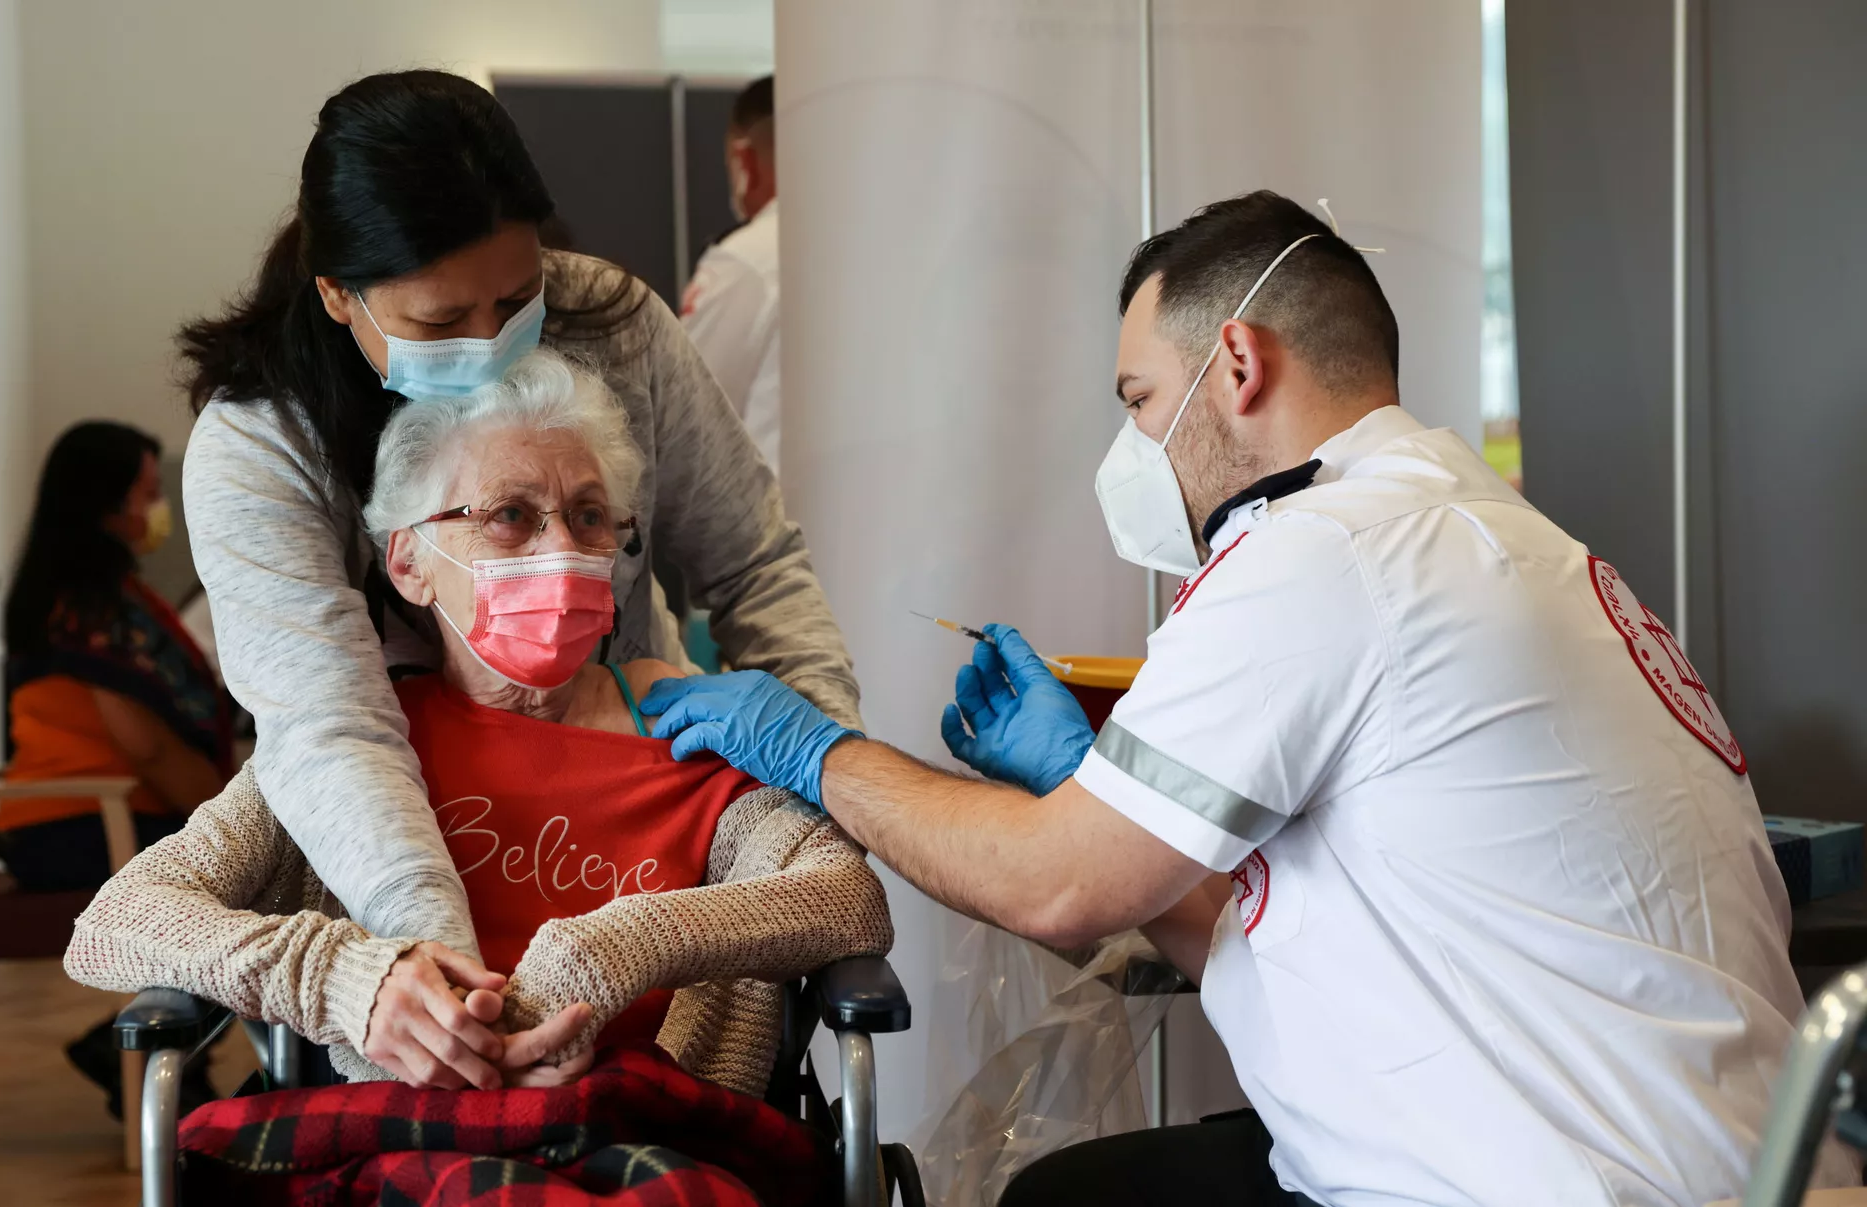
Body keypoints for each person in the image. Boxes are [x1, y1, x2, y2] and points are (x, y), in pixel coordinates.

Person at [641, 191, 1857, 1205]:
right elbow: (1276, 917)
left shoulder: (1321, 553)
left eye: (1137, 401)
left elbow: (1056, 887)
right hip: (1730, 1165)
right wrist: (1085, 785)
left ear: (1235, 363)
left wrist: (811, 746)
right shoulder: (1513, 543)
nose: (1131, 449)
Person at [176, 70, 859, 1050]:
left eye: (516, 299)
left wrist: (818, 765)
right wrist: (450, 991)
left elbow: (753, 562)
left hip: (629, 798)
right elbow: (328, 725)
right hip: (397, 864)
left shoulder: (614, 324)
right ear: (337, 293)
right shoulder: (263, 440)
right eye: (439, 324)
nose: (490, 344)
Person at [68, 351, 891, 1110]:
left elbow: (847, 898)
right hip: (411, 1140)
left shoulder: (692, 728)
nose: (562, 547)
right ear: (409, 563)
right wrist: (352, 977)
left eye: (589, 515)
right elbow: (119, 919)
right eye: (510, 514)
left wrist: (620, 945)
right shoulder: (359, 759)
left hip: (649, 1130)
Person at [0, 420, 232, 1116]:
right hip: (75, 823)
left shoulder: (85, 594)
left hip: (79, 818)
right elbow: (146, 745)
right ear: (105, 500)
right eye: (148, 493)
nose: (158, 509)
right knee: (247, 879)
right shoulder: (92, 608)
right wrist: (226, 815)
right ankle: (150, 1050)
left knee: (247, 878)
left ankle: (165, 1053)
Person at [679, 74, 782, 473]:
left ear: (745, 161)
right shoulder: (891, 246)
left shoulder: (746, 261)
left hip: (777, 501)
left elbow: (687, 408)